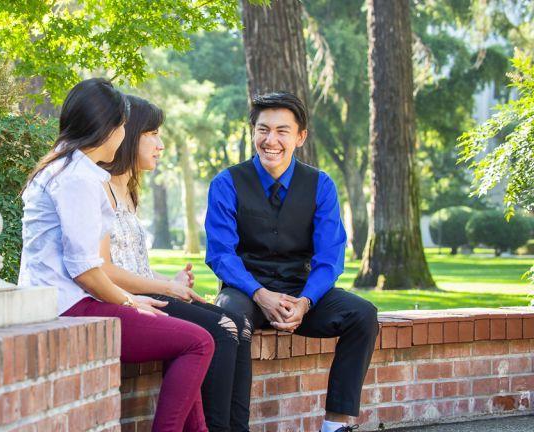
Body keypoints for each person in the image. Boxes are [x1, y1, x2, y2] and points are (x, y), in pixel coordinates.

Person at [20, 78, 213, 432]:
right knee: (198, 341)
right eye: (123, 125)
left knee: (186, 338)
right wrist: (129, 301)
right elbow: (84, 270)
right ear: (107, 128)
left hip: (66, 300)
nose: (124, 134)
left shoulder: (66, 168)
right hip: (69, 306)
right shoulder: (76, 177)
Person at [205, 92, 379, 432]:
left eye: (282, 131)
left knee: (362, 314)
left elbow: (330, 257)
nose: (271, 140)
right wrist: (259, 293)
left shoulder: (321, 185)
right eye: (262, 129)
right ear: (252, 132)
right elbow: (221, 254)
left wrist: (305, 300)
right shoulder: (226, 183)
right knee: (228, 320)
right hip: (246, 292)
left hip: (300, 292)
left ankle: (335, 424)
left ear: (300, 137)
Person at [99, 95, 252, 432]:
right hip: (123, 301)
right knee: (223, 330)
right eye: (152, 133)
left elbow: (135, 265)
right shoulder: (100, 189)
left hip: (148, 293)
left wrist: (172, 281)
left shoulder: (129, 192)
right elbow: (106, 269)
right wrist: (166, 287)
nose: (161, 144)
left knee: (240, 323)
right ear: (129, 134)